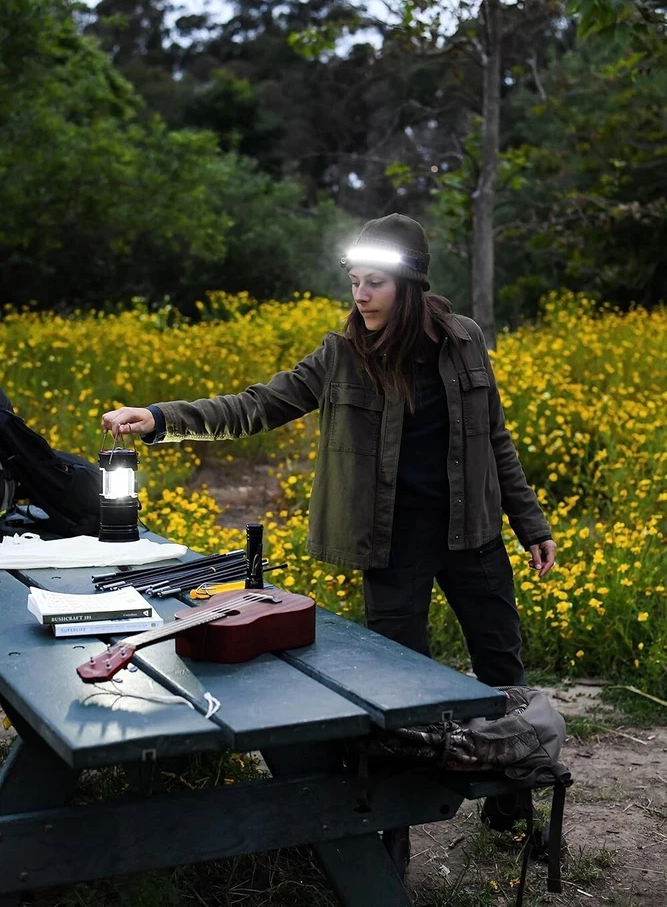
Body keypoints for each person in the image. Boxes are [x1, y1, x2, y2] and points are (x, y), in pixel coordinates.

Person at [102, 213, 557, 872]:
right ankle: (392, 840)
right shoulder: (341, 354)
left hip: (474, 536)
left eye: (375, 282)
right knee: (403, 696)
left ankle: (511, 810)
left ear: (410, 285)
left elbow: (495, 439)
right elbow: (257, 404)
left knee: (502, 671)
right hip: (391, 546)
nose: (360, 295)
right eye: (353, 281)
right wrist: (159, 419)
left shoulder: (464, 340)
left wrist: (531, 525)